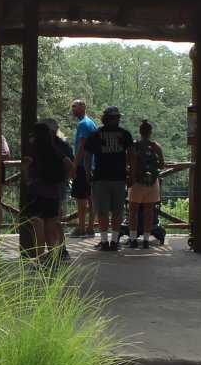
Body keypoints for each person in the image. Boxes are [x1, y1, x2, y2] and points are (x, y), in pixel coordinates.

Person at [80, 105, 132, 251]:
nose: (119, 119)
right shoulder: (125, 134)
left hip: (101, 178)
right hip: (119, 177)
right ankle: (114, 241)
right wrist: (132, 174)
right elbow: (132, 156)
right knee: (117, 211)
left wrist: (88, 173)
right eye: (118, 117)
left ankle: (104, 241)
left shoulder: (96, 135)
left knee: (102, 210)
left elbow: (88, 156)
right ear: (113, 118)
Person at [21, 121, 74, 264]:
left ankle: (41, 259)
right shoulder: (56, 150)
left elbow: (24, 167)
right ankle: (54, 260)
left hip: (36, 193)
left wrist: (27, 181)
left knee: (38, 228)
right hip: (53, 194)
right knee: (52, 229)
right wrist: (63, 179)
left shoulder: (32, 150)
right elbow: (71, 167)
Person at [127, 119, 165, 248]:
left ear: (140, 132)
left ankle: (133, 240)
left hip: (136, 182)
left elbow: (128, 162)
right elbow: (161, 164)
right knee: (149, 212)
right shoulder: (156, 146)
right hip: (152, 183)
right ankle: (146, 240)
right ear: (150, 132)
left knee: (133, 212)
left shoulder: (134, 145)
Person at [69, 100, 98, 238]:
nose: (72, 109)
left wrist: (74, 164)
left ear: (83, 107)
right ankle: (90, 228)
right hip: (92, 165)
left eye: (75, 106)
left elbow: (82, 146)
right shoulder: (91, 123)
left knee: (81, 197)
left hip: (83, 165)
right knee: (90, 197)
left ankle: (81, 228)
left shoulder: (83, 124)